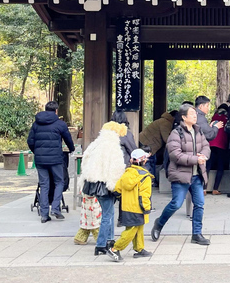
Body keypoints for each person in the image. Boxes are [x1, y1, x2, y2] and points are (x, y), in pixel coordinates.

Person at [151, 104, 211, 246]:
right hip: (181, 175)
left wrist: (204, 155)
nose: (195, 116)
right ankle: (159, 223)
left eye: (195, 113)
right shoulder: (176, 133)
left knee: (199, 204)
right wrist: (196, 159)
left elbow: (206, 146)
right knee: (176, 204)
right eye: (192, 114)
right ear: (184, 117)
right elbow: (175, 155)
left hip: (197, 175)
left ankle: (196, 234)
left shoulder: (199, 131)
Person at [78, 121, 127, 255]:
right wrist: (115, 186)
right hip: (106, 184)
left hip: (92, 182)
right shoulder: (113, 147)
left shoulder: (95, 144)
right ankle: (101, 244)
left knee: (108, 213)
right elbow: (117, 169)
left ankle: (110, 240)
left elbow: (85, 161)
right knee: (107, 215)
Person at [27, 101, 75, 223]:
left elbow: (30, 141)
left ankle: (44, 214)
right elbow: (68, 139)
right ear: (56, 111)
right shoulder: (60, 124)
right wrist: (72, 149)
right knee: (59, 182)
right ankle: (55, 208)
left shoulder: (36, 124)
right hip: (56, 159)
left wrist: (37, 151)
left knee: (44, 185)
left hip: (40, 160)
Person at [107, 149, 154, 261]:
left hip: (126, 207)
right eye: (145, 158)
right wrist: (147, 208)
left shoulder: (126, 173)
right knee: (132, 230)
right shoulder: (145, 177)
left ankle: (139, 249)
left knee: (137, 227)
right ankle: (114, 249)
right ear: (142, 161)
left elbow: (117, 190)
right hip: (138, 207)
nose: (147, 159)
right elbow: (145, 195)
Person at [138, 110, 176, 186]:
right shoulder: (165, 123)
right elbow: (167, 139)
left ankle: (152, 181)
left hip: (146, 142)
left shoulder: (164, 121)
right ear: (174, 117)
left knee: (151, 161)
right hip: (147, 144)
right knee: (149, 162)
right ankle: (150, 181)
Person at [207, 103, 230, 195]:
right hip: (221, 145)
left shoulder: (214, 117)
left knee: (207, 166)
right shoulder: (227, 119)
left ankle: (204, 188)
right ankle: (215, 189)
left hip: (211, 144)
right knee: (220, 167)